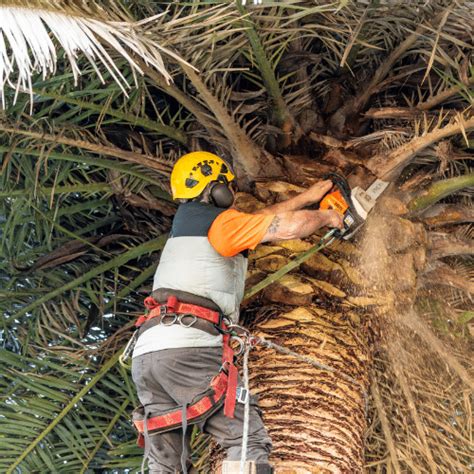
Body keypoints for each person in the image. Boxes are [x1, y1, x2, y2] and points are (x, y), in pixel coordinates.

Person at [131, 151, 344, 474]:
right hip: (187, 349)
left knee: (166, 465)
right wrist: (328, 216)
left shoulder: (189, 228)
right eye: (227, 187)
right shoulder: (220, 225)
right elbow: (284, 228)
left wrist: (306, 197)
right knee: (245, 436)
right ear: (215, 188)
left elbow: (261, 217)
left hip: (147, 358)